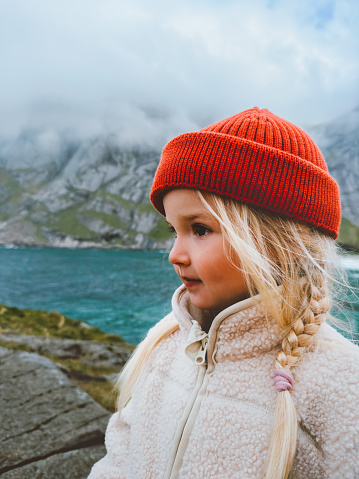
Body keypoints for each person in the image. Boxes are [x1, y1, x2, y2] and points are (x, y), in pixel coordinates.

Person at [88, 107, 359, 479]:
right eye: (173, 231)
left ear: (284, 243)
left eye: (199, 229)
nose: (174, 255)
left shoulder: (343, 383)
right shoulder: (166, 344)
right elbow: (120, 454)